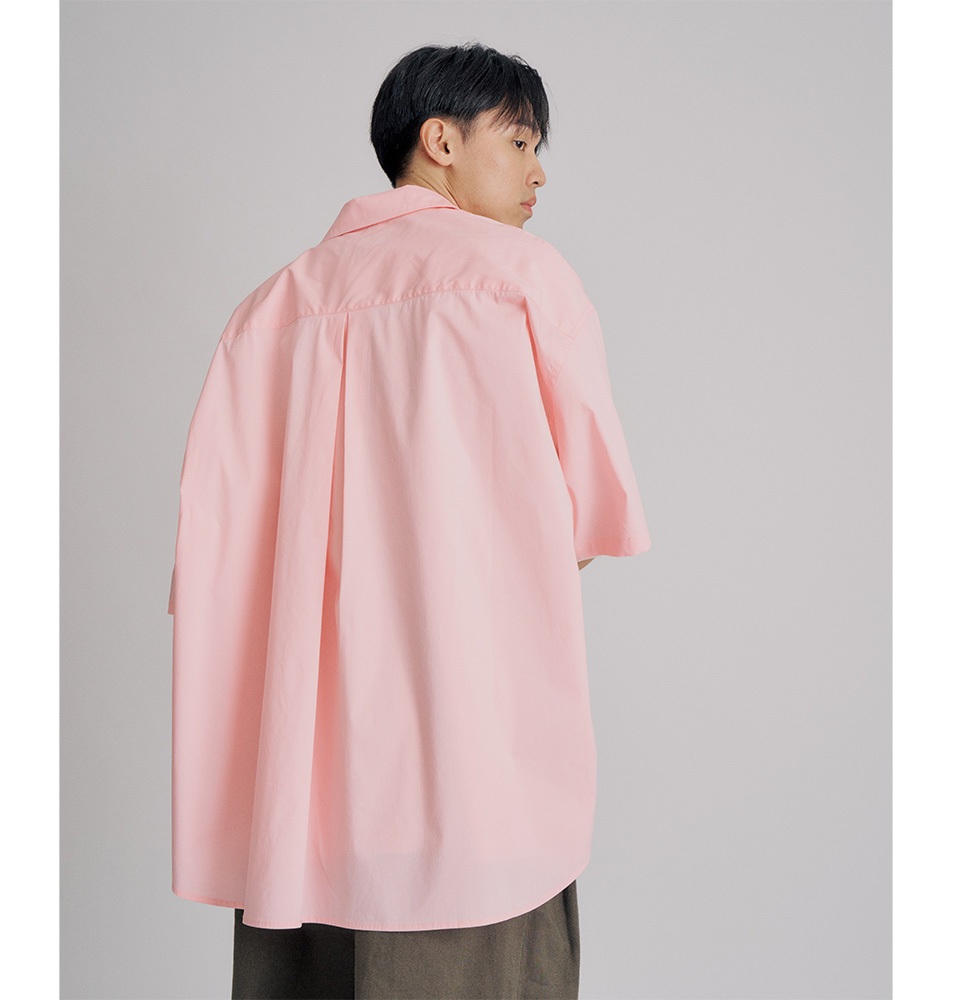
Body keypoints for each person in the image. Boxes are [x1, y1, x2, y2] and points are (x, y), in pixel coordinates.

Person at [167, 40, 652, 1000]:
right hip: (467, 766)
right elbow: (591, 518)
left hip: (302, 796)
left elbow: (213, 561)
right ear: (441, 140)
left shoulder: (264, 314)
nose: (539, 172)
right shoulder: (520, 275)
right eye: (520, 141)